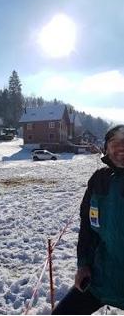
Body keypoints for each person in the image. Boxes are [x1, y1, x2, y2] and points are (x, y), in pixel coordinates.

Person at [52, 126, 124, 314]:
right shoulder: (99, 179)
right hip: (101, 280)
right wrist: (83, 264)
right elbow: (87, 227)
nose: (120, 148)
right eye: (114, 143)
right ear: (106, 149)